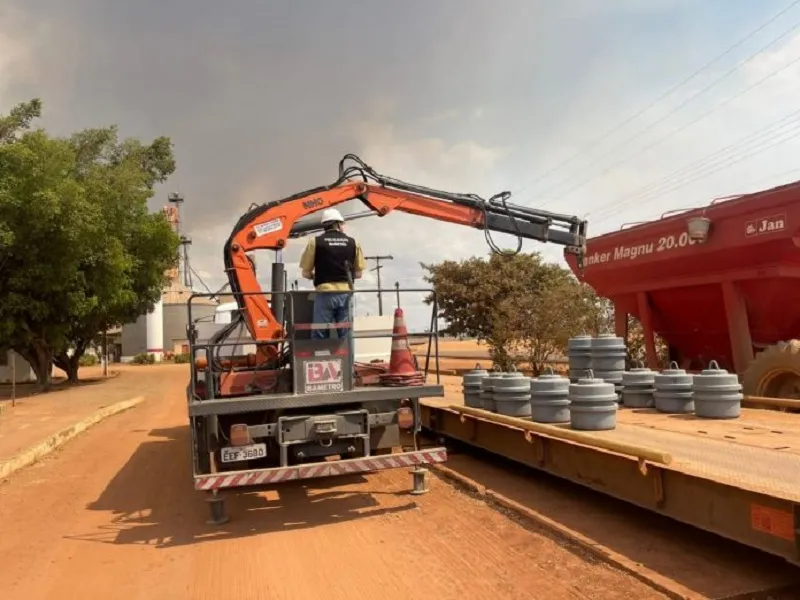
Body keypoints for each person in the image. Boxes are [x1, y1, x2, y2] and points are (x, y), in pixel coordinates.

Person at [299, 208, 367, 340]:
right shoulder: (353, 243)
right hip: (346, 294)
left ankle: (319, 357)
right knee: (345, 333)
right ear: (338, 224)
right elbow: (358, 274)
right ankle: (347, 360)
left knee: (320, 331)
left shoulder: (315, 242)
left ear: (325, 225)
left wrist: (316, 276)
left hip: (324, 294)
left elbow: (305, 273)